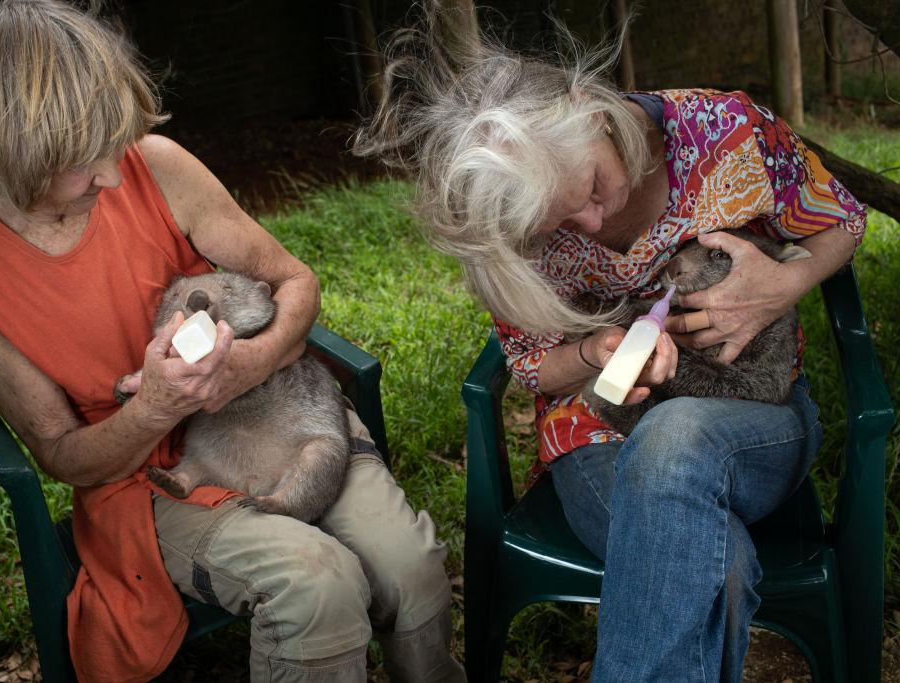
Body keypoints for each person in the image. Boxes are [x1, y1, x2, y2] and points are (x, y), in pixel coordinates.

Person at [0, 2, 466, 682]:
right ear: (15, 155)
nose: (114, 178)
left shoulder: (154, 163)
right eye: (84, 164)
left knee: (411, 569)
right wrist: (154, 407)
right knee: (318, 584)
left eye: (112, 150)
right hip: (147, 477)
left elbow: (294, 283)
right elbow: (62, 454)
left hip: (279, 417)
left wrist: (249, 363)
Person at [353, 7, 865, 682]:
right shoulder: (521, 222)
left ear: (588, 109)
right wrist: (594, 353)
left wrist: (781, 284)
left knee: (676, 432)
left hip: (755, 416)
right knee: (725, 566)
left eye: (590, 187)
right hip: (598, 436)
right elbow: (533, 366)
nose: (593, 223)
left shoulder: (728, 134)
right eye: (562, 220)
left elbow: (844, 219)